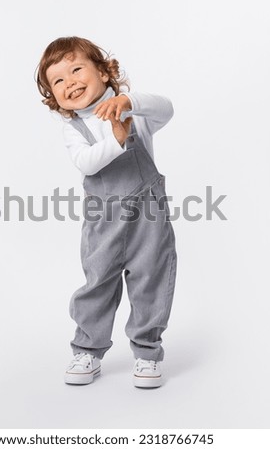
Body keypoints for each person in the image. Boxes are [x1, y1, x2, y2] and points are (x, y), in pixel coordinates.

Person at [36, 36, 177, 388]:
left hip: (148, 218)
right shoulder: (73, 130)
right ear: (54, 97)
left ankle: (147, 352)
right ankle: (88, 349)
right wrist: (115, 139)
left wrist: (129, 102)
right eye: (59, 81)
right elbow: (86, 162)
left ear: (103, 71)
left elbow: (166, 108)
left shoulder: (134, 112)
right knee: (98, 283)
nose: (70, 82)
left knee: (151, 281)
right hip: (104, 221)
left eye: (77, 69)